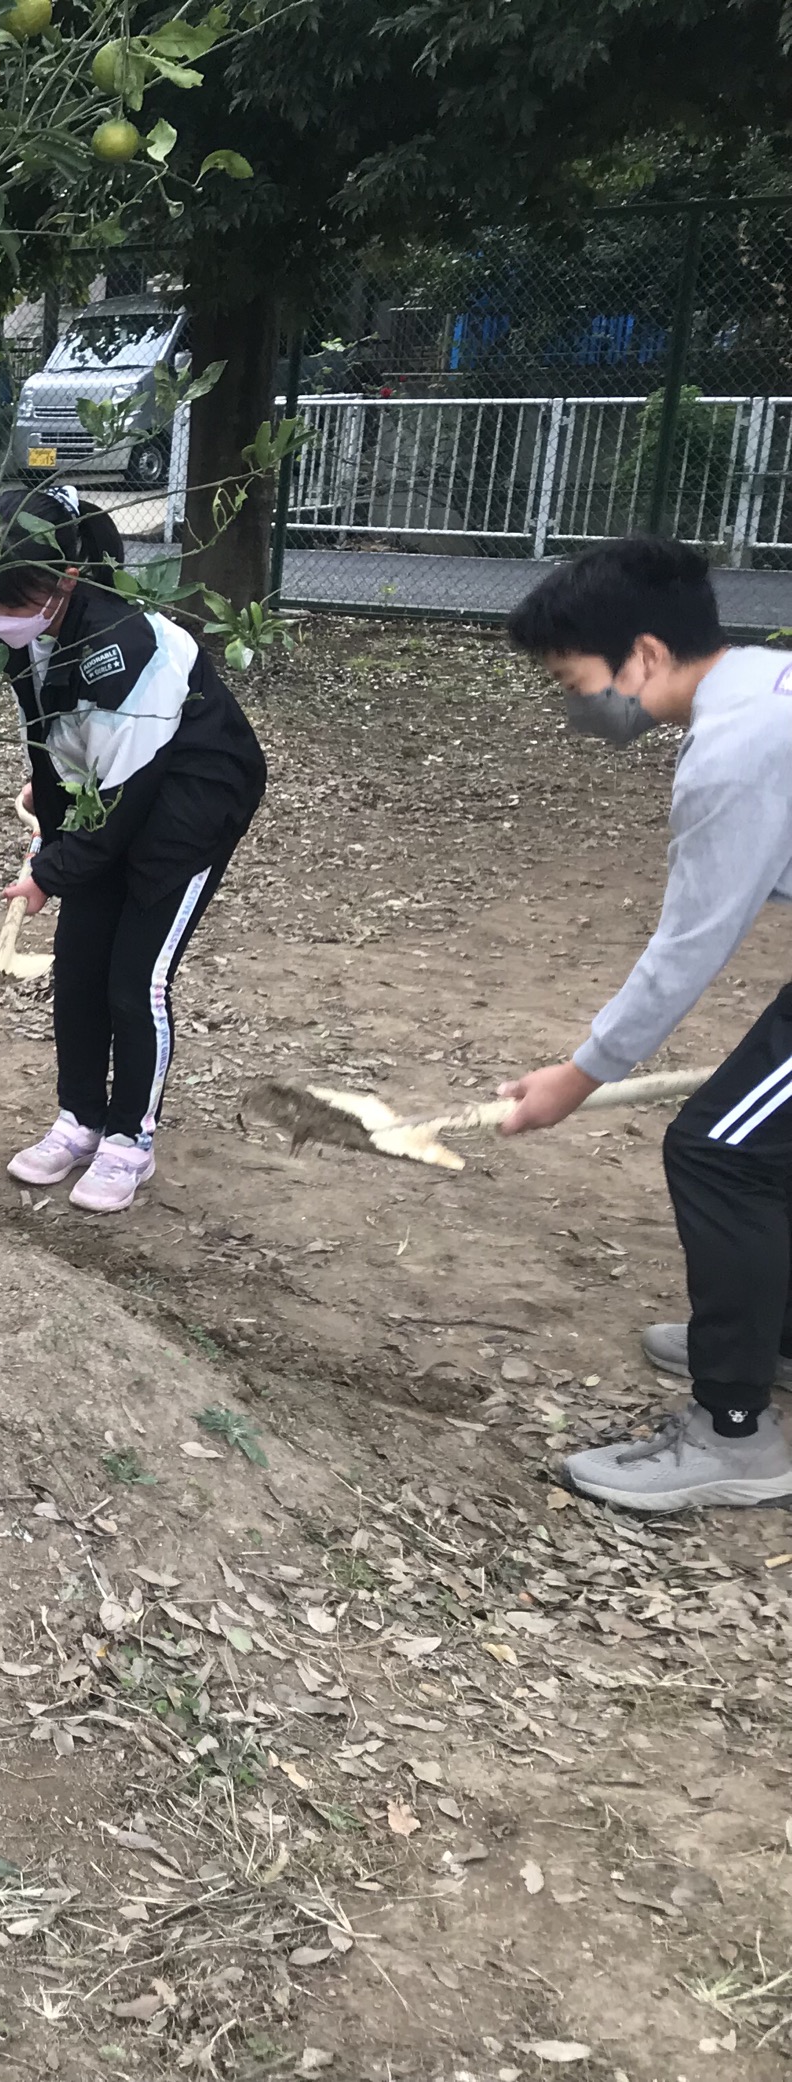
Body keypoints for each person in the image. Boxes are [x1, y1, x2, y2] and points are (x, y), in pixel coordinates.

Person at [495, 537, 792, 1511]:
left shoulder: (737, 750)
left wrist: (576, 1074)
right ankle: (771, 1331)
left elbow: (688, 948)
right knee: (765, 1143)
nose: (578, 707)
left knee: (717, 1153)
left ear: (647, 657)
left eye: (574, 681)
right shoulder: (765, 683)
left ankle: (735, 1434)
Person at [0, 483, 266, 1214]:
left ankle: (131, 1139)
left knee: (136, 979)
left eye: (7, 599)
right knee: (78, 968)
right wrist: (54, 796)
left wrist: (50, 871)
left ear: (64, 578)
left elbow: (128, 804)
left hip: (187, 805)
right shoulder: (31, 631)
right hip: (116, 791)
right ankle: (79, 1119)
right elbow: (52, 733)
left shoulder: (126, 653)